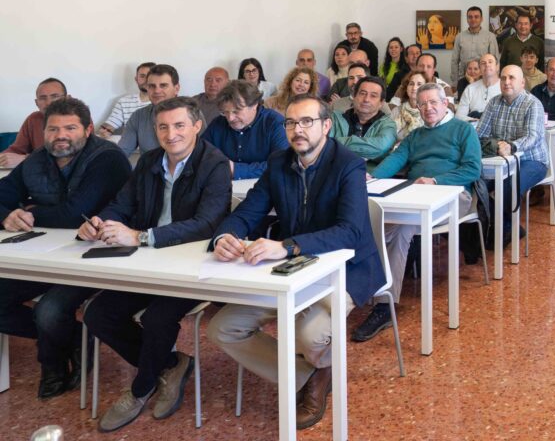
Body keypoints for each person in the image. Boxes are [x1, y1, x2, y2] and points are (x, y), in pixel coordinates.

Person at [208, 94, 384, 431]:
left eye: (306, 122)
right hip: (289, 271)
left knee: (310, 335)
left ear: (326, 126)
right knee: (223, 328)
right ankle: (309, 374)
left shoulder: (348, 164)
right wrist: (225, 236)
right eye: (290, 122)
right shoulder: (278, 162)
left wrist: (287, 246)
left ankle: (319, 366)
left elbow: (349, 231)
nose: (297, 130)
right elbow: (249, 210)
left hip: (343, 270)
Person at [79, 97, 231, 432]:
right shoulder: (149, 160)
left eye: (179, 125)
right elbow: (122, 204)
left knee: (157, 318)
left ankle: (139, 389)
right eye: (163, 126)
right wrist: (100, 221)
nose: (170, 133)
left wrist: (142, 236)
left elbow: (207, 223)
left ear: (197, 126)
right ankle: (171, 364)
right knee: (98, 314)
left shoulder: (215, 164)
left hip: (192, 266)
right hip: (147, 264)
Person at [0, 97, 130, 399]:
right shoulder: (36, 160)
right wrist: (6, 215)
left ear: (88, 130)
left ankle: (52, 366)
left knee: (49, 311)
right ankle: (76, 337)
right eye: (53, 129)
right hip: (43, 257)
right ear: (43, 132)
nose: (61, 136)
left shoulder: (108, 158)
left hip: (96, 256)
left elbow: (75, 214)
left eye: (70, 128)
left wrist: (30, 212)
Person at [352, 83, 482, 342]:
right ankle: (365, 289)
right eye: (422, 104)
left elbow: (472, 170)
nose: (428, 108)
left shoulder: (464, 130)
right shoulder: (415, 136)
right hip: (417, 196)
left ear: (445, 103)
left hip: (455, 195)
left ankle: (385, 306)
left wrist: (436, 181)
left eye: (433, 102)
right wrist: (372, 177)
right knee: (374, 224)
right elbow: (396, 159)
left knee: (402, 229)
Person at [477, 65, 548, 241]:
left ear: (522, 83)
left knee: (509, 186)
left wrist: (512, 146)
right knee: (476, 186)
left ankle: (504, 230)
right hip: (500, 161)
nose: (506, 82)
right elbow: (480, 134)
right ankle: (504, 227)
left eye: (511, 78)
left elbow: (533, 136)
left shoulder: (533, 104)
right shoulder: (493, 103)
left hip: (532, 161)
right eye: (503, 78)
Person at [205, 80, 289, 180]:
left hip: (265, 185)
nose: (230, 118)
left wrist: (236, 170)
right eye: (225, 112)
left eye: (236, 111)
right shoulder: (218, 123)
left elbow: (280, 164)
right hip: (223, 185)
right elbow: (201, 155)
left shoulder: (275, 123)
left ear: (254, 105)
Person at [329, 75, 397, 173]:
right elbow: (325, 146)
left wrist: (337, 142)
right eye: (362, 93)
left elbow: (380, 147)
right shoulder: (334, 119)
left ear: (381, 103)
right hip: (334, 173)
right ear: (354, 96)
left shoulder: (388, 125)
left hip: (370, 176)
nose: (366, 99)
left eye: (373, 96)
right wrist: (367, 152)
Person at [0, 78, 67, 168]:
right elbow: (16, 150)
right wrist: (3, 158)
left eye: (55, 96)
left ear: (67, 99)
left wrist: (26, 159)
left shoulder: (79, 119)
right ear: (36, 103)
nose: (48, 103)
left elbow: (71, 158)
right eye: (43, 98)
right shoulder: (33, 119)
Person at [119, 64, 181, 156]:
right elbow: (122, 152)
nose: (157, 91)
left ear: (176, 88)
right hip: (148, 165)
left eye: (163, 85)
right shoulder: (138, 116)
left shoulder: (192, 114)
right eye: (152, 86)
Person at [98, 62, 154, 137]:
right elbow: (110, 125)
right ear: (136, 79)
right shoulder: (124, 101)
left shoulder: (164, 102)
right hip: (129, 143)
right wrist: (105, 131)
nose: (146, 80)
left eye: (150, 76)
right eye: (142, 76)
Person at [451, 5, 499, 83]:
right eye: (470, 17)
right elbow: (454, 61)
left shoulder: (490, 37)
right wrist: (454, 82)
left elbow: (495, 61)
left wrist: (494, 80)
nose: (473, 19)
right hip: (463, 79)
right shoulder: (459, 37)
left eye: (476, 17)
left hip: (484, 79)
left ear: (481, 19)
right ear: (467, 19)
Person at [456, 53, 500, 120]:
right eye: (483, 63)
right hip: (473, 125)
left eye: (490, 62)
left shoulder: (505, 87)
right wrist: (478, 121)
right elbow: (459, 116)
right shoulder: (470, 89)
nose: (487, 65)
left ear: (497, 67)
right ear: (480, 69)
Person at [390, 70, 426, 141]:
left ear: (426, 89)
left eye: (419, 84)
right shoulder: (396, 111)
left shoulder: (429, 112)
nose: (414, 88)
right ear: (406, 88)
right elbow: (388, 135)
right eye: (411, 84)